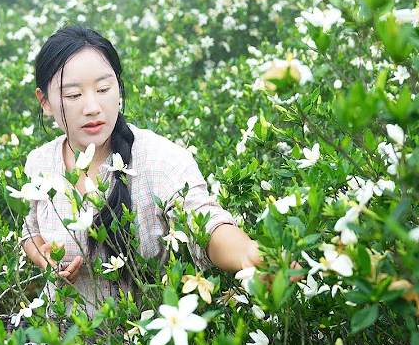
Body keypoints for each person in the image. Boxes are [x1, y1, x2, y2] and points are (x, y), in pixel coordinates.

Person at [19, 25, 265, 318]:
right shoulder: (40, 164)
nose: (93, 107)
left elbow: (207, 224)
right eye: (73, 95)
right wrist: (42, 257)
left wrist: (248, 254)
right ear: (44, 101)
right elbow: (31, 230)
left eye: (104, 89)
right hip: (60, 334)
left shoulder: (158, 159)